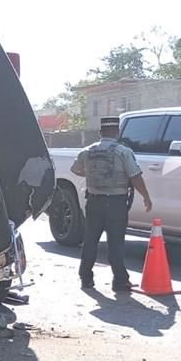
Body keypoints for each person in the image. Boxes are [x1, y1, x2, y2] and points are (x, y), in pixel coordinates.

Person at [70, 116, 152, 292]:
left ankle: (86, 278)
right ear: (117, 132)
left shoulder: (87, 151)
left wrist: (94, 176)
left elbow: (75, 169)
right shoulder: (123, 152)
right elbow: (135, 176)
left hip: (93, 201)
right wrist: (146, 196)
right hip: (116, 203)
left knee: (90, 241)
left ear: (100, 133)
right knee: (115, 243)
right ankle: (120, 280)